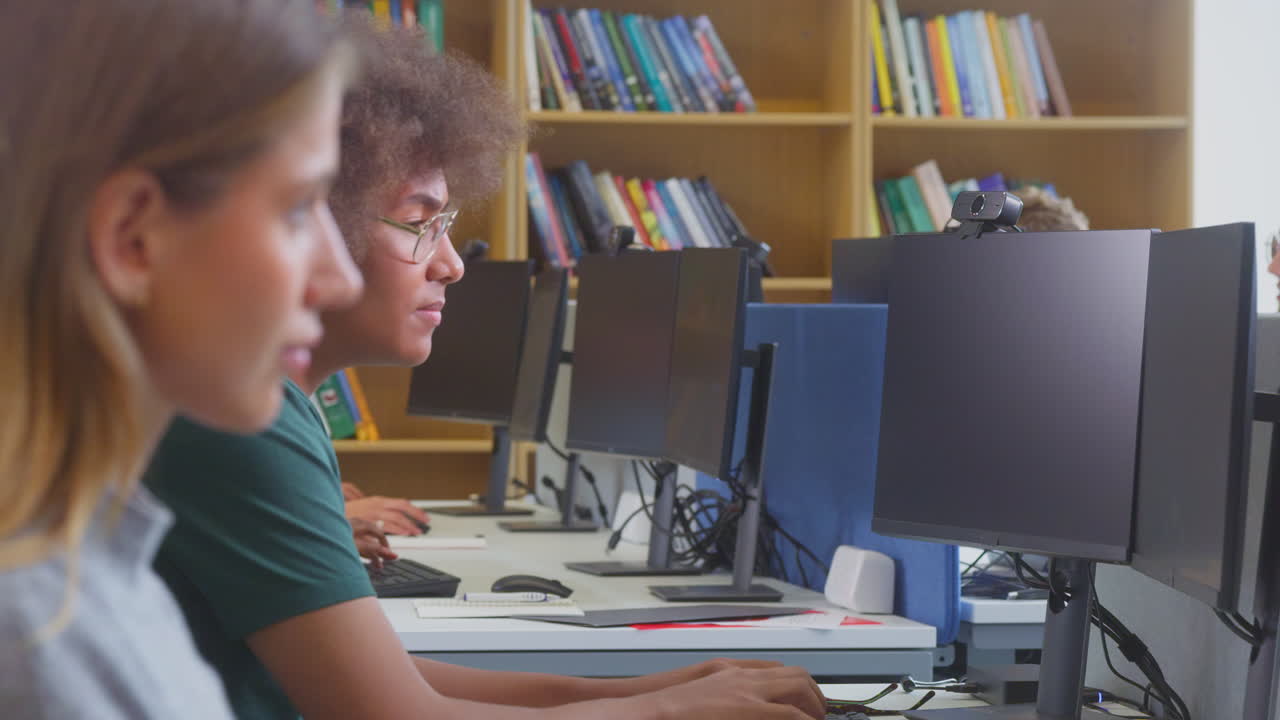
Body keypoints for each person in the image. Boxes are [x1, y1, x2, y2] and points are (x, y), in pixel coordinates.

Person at [143, 17, 827, 720]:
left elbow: (386, 680)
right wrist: (672, 711)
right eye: (421, 222)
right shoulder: (242, 414)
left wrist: (646, 688)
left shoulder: (266, 404)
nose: (452, 263)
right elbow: (397, 714)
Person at [0, 1, 363, 717]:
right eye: (298, 209)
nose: (342, 277)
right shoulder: (47, 642)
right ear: (134, 238)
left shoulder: (93, 566)